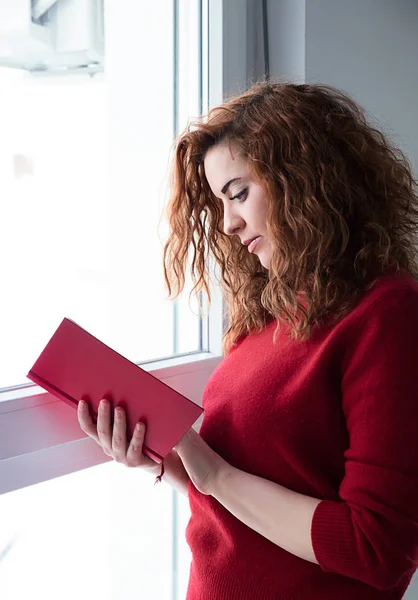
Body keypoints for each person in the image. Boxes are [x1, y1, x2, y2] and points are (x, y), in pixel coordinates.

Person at [77, 81, 418, 599]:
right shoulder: (268, 316)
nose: (229, 223)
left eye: (238, 193)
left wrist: (212, 474)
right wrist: (165, 460)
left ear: (306, 179)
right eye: (219, 203)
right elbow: (253, 485)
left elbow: (378, 549)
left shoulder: (388, 313)